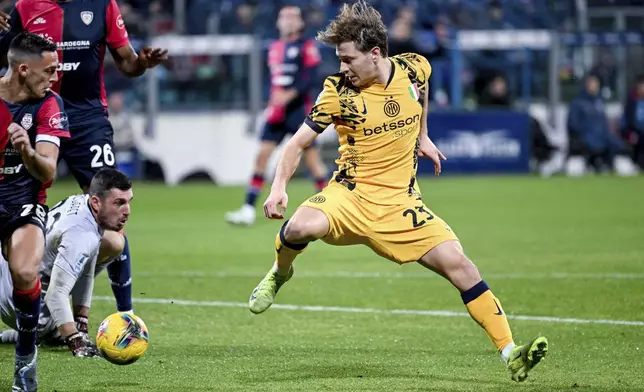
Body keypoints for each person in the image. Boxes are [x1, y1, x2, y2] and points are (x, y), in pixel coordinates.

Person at [248, 1, 548, 383]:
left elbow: (419, 90)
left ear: (375, 53)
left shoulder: (413, 66)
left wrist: (422, 135)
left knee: (462, 266)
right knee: (299, 228)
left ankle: (510, 354)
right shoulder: (337, 91)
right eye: (339, 60)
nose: (342, 68)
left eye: (348, 59)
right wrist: (278, 189)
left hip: (402, 204)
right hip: (350, 197)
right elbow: (295, 145)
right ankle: (279, 272)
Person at [0, 0, 167, 318]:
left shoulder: (103, 5)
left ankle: (125, 316)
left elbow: (128, 64)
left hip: (85, 118)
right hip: (35, 113)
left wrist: (142, 63)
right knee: (19, 195)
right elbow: (10, 60)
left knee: (113, 204)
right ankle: (36, 292)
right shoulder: (25, 7)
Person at [0, 168, 133, 359]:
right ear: (96, 202)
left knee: (114, 242)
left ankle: (48, 328)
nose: (127, 211)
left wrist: (81, 323)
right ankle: (29, 331)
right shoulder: (80, 235)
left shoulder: (82, 204)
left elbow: (86, 268)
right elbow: (55, 295)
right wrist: (75, 340)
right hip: (15, 296)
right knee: (51, 321)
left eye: (129, 202)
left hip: (11, 266)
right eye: (119, 203)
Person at [0, 32, 69, 392]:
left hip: (22, 201)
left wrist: (26, 151)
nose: (55, 77)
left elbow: (48, 171)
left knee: (26, 271)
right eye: (50, 70)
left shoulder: (49, 105)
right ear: (23, 70)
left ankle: (25, 366)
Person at [225, 4, 328, 226]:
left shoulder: (307, 46)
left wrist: (288, 95)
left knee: (312, 162)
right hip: (277, 112)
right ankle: (248, 208)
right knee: (262, 156)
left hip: (299, 110)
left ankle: (333, 207)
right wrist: (271, 100)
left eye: (293, 17)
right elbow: (271, 81)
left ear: (301, 23)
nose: (289, 21)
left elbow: (309, 79)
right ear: (278, 22)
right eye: (284, 17)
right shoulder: (274, 47)